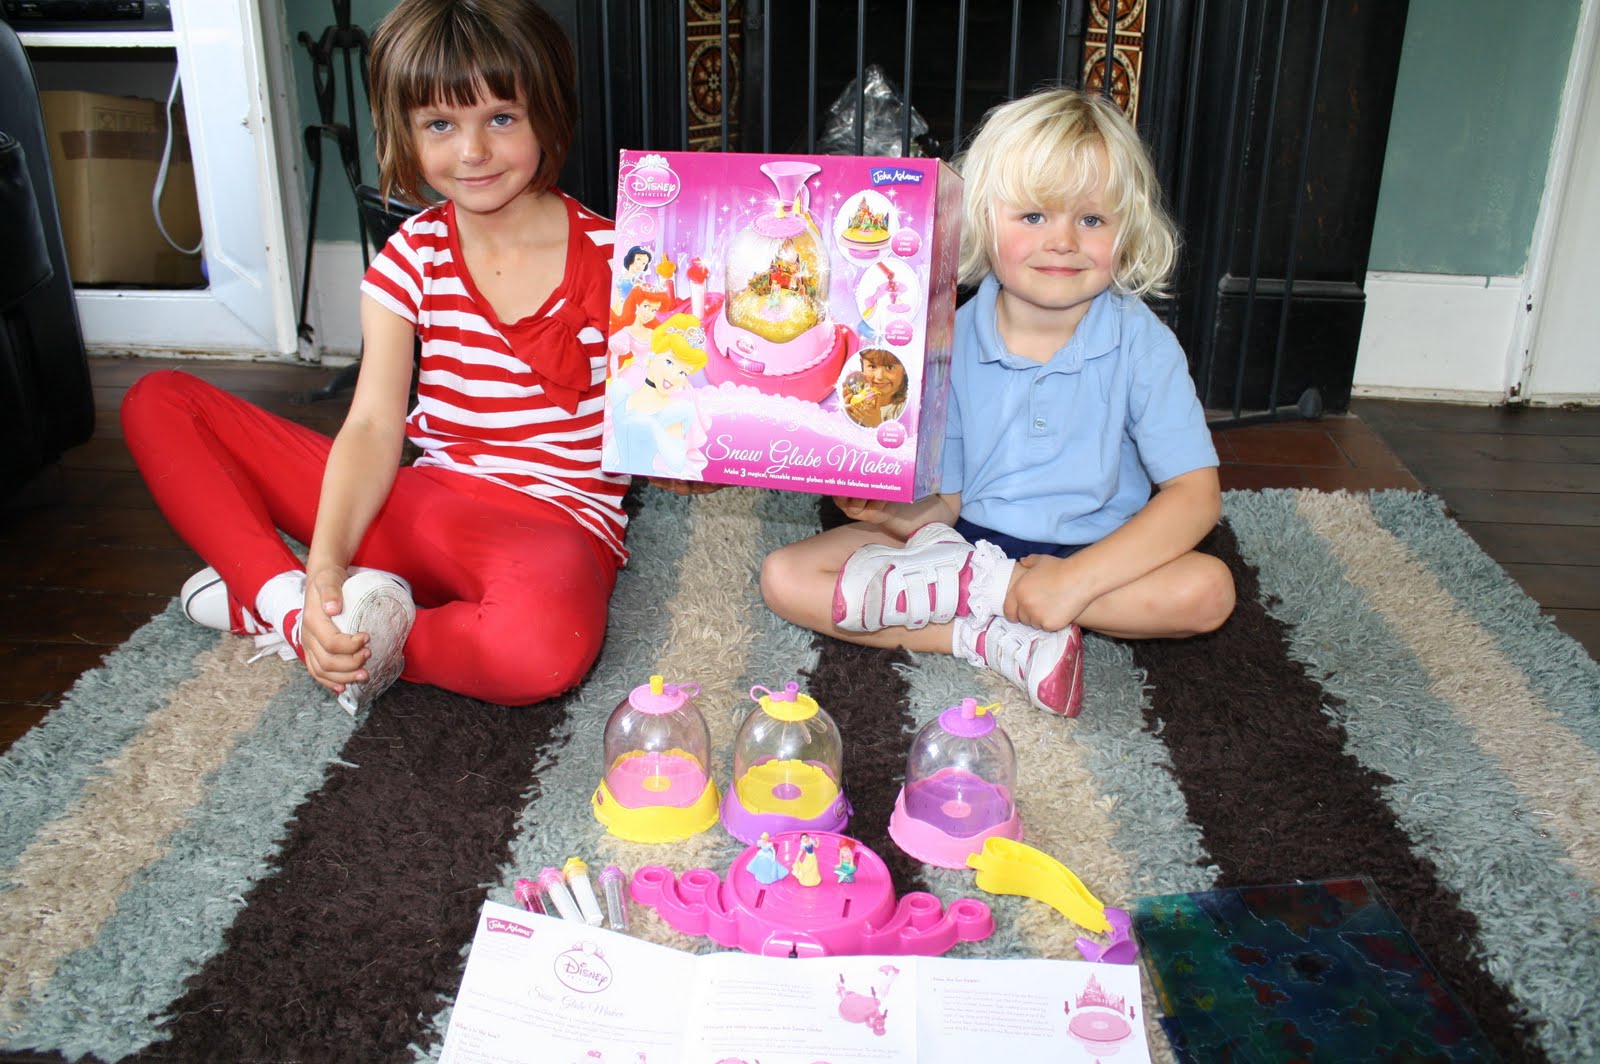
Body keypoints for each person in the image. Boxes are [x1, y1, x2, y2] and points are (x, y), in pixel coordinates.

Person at [120, 0, 628, 713]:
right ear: (406, 131)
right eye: (440, 125)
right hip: (420, 506)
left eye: (502, 118)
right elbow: (369, 428)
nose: (472, 151)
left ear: (547, 111)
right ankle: (294, 607)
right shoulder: (412, 254)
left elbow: (657, 420)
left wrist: (690, 463)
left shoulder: (620, 257)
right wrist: (324, 568)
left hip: (553, 532)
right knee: (159, 402)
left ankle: (343, 626)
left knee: (540, 651)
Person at [761, 88, 1235, 718]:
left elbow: (1196, 495)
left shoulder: (1143, 342)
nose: (1063, 241)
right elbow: (946, 502)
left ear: (1128, 229)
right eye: (1034, 217)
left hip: (1100, 555)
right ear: (982, 218)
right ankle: (985, 634)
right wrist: (881, 510)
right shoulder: (943, 339)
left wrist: (1075, 581)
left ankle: (996, 603)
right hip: (959, 551)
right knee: (786, 577)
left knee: (1209, 593)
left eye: (1091, 219)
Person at [842, 348, 909, 428]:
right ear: (862, 364)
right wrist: (850, 418)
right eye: (872, 366)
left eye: (890, 367)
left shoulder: (906, 407)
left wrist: (876, 425)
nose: (879, 376)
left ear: (905, 366)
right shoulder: (858, 391)